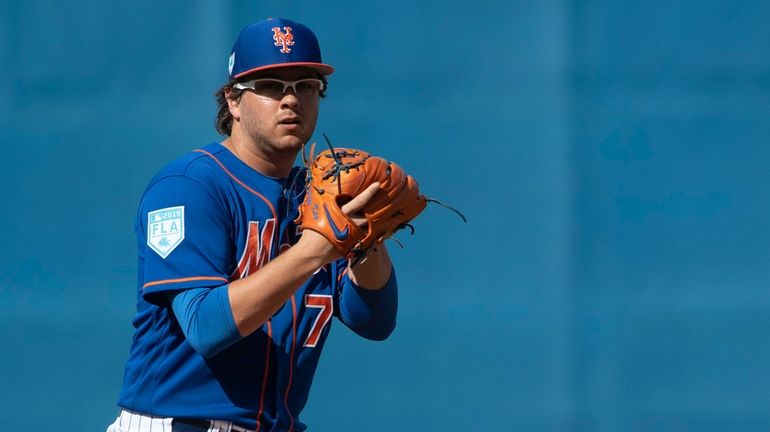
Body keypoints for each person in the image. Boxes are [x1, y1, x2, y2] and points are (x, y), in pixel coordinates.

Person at [107, 17, 398, 432]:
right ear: (233, 101)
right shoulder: (189, 186)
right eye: (271, 86)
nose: (291, 100)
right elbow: (205, 326)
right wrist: (316, 248)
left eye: (306, 86)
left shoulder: (321, 197)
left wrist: (369, 236)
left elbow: (375, 319)